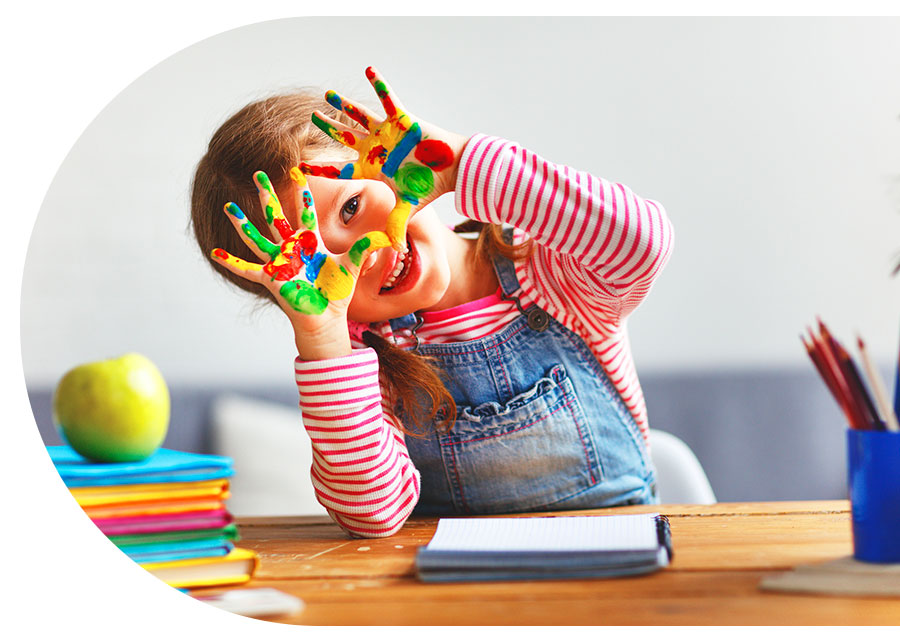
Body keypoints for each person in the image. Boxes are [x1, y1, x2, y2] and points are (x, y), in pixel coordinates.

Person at [190, 67, 674, 538]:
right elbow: (373, 514)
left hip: (621, 550)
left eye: (351, 207)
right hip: (457, 581)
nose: (364, 254)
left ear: (392, 163)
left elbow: (641, 243)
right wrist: (323, 338)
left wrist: (458, 162)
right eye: (313, 264)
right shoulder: (362, 358)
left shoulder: (550, 272)